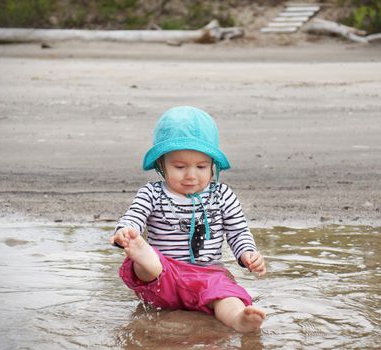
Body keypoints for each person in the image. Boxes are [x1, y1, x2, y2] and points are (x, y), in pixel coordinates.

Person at [111, 106, 266, 333]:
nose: (191, 175)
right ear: (161, 165)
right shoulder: (152, 193)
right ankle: (142, 252)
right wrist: (126, 231)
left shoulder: (222, 195)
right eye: (180, 167)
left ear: (213, 165)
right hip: (164, 276)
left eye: (201, 166)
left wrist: (248, 255)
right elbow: (134, 215)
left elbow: (238, 232)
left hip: (208, 275)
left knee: (226, 295)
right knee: (148, 264)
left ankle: (238, 319)